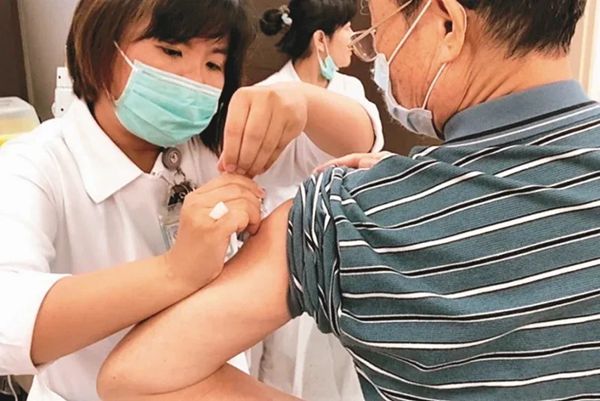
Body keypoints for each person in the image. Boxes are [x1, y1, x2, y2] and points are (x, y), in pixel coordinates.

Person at [98, 0, 600, 400]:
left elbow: (135, 376)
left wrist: (396, 185)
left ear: (447, 24)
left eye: (378, 33)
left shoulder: (346, 212)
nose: (376, 56)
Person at [0, 0, 379, 399]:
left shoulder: (216, 146)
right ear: (99, 49)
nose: (194, 80)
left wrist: (303, 101)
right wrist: (175, 272)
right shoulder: (36, 164)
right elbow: (7, 318)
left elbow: (357, 143)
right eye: (171, 51)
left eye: (214, 64)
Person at [250, 1, 382, 399]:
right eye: (347, 29)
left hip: (345, 254)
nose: (353, 38)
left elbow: (368, 147)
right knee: (284, 370)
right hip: (282, 252)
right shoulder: (265, 96)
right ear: (321, 39)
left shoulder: (350, 91)